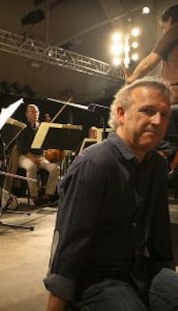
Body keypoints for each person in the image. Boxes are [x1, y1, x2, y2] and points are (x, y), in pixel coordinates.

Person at [44, 77, 178, 311]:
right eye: (148, 111)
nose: (158, 121)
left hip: (142, 270)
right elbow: (70, 242)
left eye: (165, 114)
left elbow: (160, 232)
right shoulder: (94, 163)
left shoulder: (156, 164)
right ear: (122, 114)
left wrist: (168, 276)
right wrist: (57, 302)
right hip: (97, 280)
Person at [124, 5, 178, 134]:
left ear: (170, 20)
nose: (164, 31)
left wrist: (131, 79)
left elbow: (149, 62)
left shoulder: (175, 30)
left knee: (140, 111)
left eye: (163, 27)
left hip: (175, 94)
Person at [16, 104, 59, 206]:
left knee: (55, 169)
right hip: (24, 156)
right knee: (31, 167)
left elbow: (45, 144)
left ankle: (47, 196)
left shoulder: (41, 127)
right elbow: (21, 146)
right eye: (32, 112)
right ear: (27, 114)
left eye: (37, 112)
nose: (35, 114)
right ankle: (34, 197)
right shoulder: (22, 126)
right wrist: (31, 157)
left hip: (39, 157)